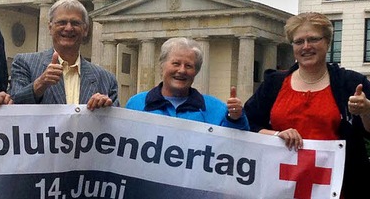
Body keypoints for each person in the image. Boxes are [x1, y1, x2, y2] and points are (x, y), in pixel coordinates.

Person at [244, 12, 370, 198]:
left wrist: (366, 110)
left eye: (313, 39)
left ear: (327, 42)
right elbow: (248, 125)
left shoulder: (351, 83)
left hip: (337, 190)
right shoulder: (274, 83)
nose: (306, 47)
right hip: (281, 188)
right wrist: (276, 134)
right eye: (299, 41)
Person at [9, 0, 118, 110]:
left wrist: (105, 110)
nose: (68, 28)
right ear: (50, 28)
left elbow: (115, 123)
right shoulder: (25, 64)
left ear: (85, 30)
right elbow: (13, 106)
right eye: (62, 22)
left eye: (75, 23)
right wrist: (39, 84)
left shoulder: (106, 79)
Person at [126, 37, 249, 130]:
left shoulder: (217, 109)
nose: (182, 70)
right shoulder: (136, 104)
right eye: (176, 63)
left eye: (189, 66)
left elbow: (234, 149)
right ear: (162, 66)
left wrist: (235, 118)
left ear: (196, 71)